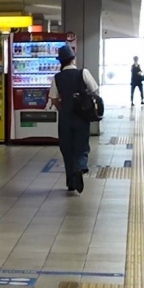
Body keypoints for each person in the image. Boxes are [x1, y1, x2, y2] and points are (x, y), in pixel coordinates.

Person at [49, 45, 98, 194]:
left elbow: (54, 99)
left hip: (65, 118)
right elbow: (94, 90)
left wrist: (63, 109)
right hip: (81, 117)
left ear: (61, 61)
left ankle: (71, 182)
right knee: (82, 146)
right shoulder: (83, 73)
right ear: (73, 59)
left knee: (67, 148)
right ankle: (80, 167)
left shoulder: (57, 77)